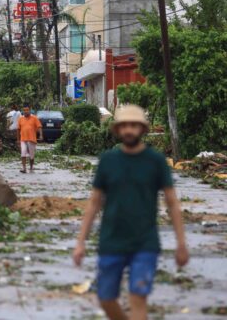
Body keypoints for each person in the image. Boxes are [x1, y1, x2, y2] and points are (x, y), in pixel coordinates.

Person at [73, 104, 188, 320]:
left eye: (134, 126)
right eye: (124, 126)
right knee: (106, 299)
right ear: (117, 130)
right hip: (111, 241)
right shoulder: (108, 160)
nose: (129, 130)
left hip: (144, 243)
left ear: (142, 129)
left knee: (138, 298)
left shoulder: (155, 161)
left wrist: (181, 243)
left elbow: (172, 203)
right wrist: (81, 242)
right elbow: (94, 202)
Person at [17, 105, 42, 173]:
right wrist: (18, 139)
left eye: (27, 110)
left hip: (32, 139)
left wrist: (41, 135)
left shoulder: (34, 118)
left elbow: (39, 127)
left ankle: (31, 167)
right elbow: (18, 129)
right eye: (24, 110)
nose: (26, 111)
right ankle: (24, 168)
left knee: (31, 155)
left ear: (29, 110)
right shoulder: (20, 119)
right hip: (23, 139)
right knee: (23, 153)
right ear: (23, 111)